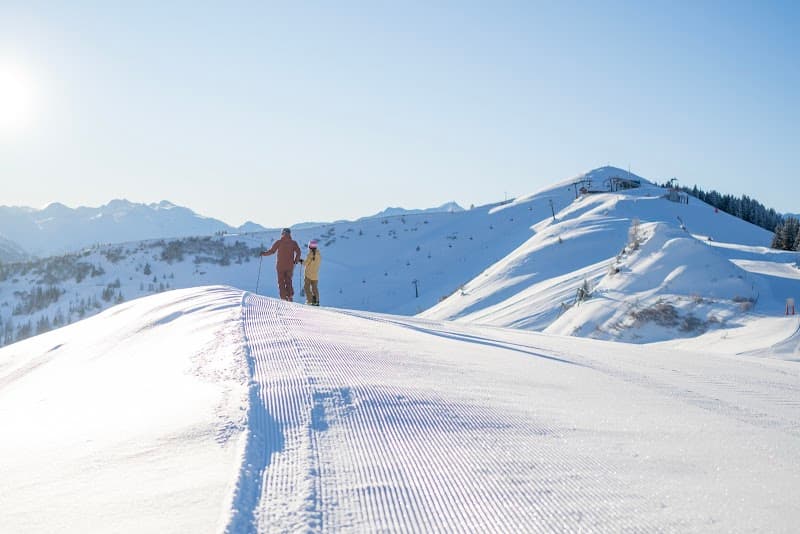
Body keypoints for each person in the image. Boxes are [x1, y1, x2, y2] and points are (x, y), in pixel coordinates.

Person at [260, 228, 302, 301]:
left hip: (280, 266)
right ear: (290, 233)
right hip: (290, 266)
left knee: (281, 281)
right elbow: (298, 252)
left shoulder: (279, 242)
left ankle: (283, 297)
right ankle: (290, 296)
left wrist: (263, 253)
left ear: (282, 233)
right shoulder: (293, 243)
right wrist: (295, 261)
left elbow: (272, 251)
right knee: (288, 281)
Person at [302, 239, 322, 306]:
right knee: (314, 288)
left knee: (306, 287)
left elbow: (305, 263)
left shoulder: (310, 254)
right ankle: (317, 301)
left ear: (309, 247)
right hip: (315, 275)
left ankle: (310, 301)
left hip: (308, 274)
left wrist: (301, 261)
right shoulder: (319, 255)